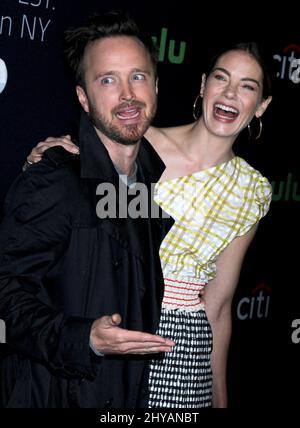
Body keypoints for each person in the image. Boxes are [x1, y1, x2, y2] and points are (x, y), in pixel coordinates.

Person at [28, 39, 273, 408]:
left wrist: (220, 399)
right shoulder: (139, 145)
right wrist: (53, 154)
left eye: (247, 86)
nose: (230, 94)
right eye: (221, 79)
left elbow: (219, 306)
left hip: (186, 352)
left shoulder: (252, 190)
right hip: (121, 321)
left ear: (261, 107)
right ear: (204, 85)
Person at [0, 11, 176, 408]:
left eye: (138, 76)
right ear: (83, 97)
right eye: (107, 80)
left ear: (156, 86)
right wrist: (85, 339)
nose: (128, 94)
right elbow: (5, 292)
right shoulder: (55, 178)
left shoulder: (146, 179)